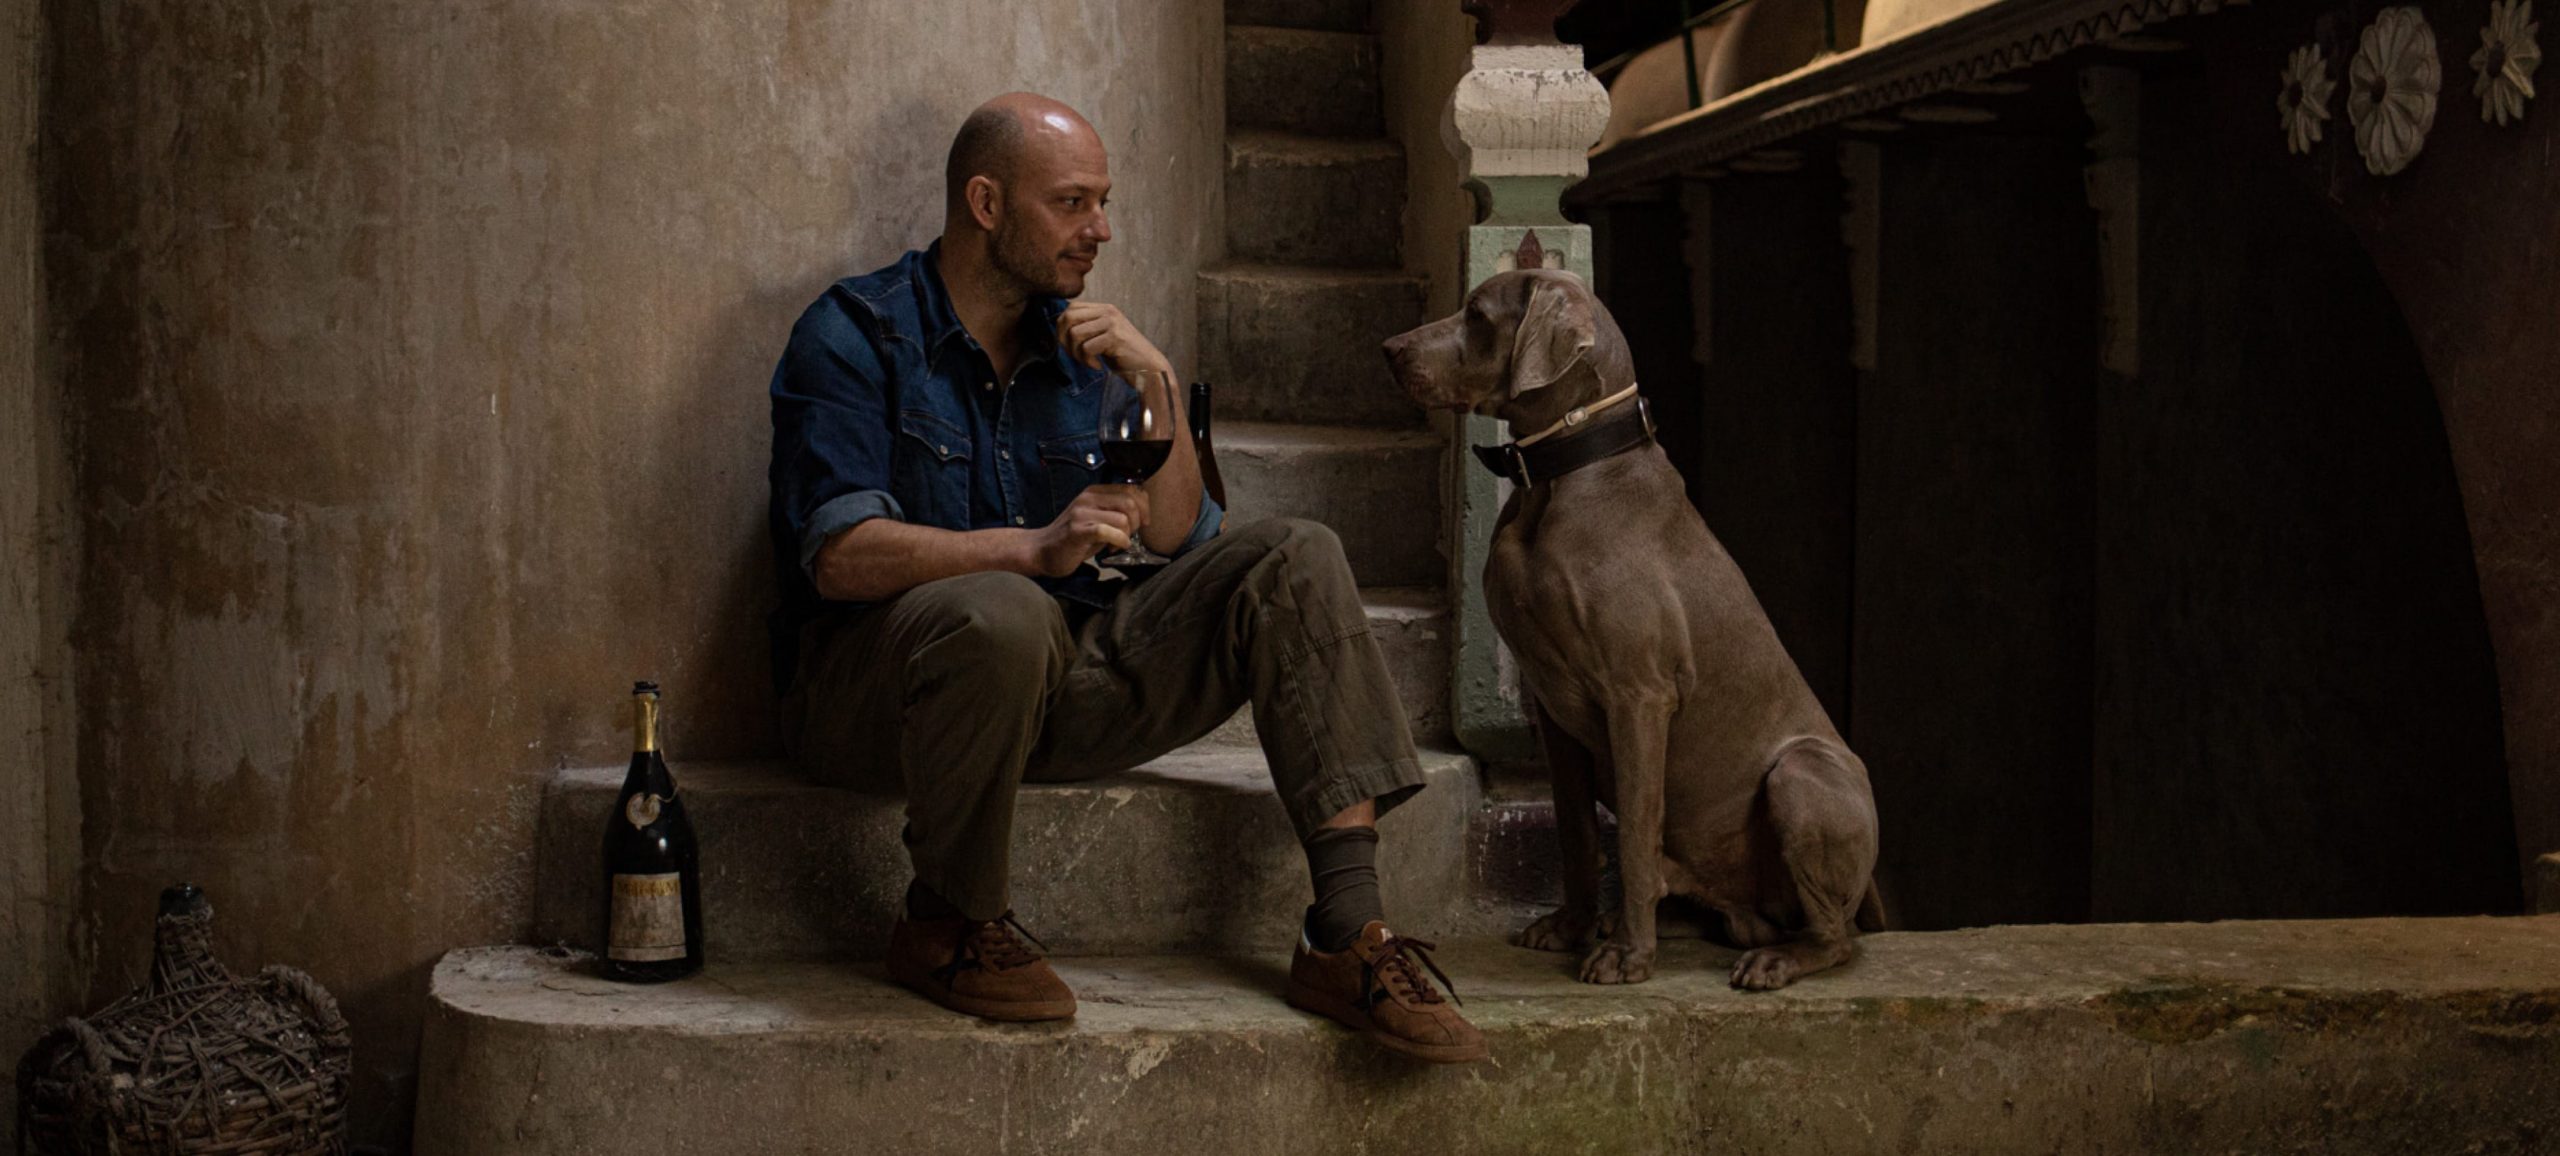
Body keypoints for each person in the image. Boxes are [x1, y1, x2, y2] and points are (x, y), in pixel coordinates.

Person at [764, 93, 1484, 1062]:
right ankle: (946, 918)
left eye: (1102, 202)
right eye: (1070, 203)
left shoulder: (1080, 348)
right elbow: (840, 554)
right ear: (984, 203)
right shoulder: (855, 333)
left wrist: (1158, 387)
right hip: (881, 700)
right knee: (1005, 608)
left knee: (1293, 552)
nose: (1099, 230)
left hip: (1057, 682)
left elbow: (1186, 534)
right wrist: (1030, 547)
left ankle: (1347, 935)